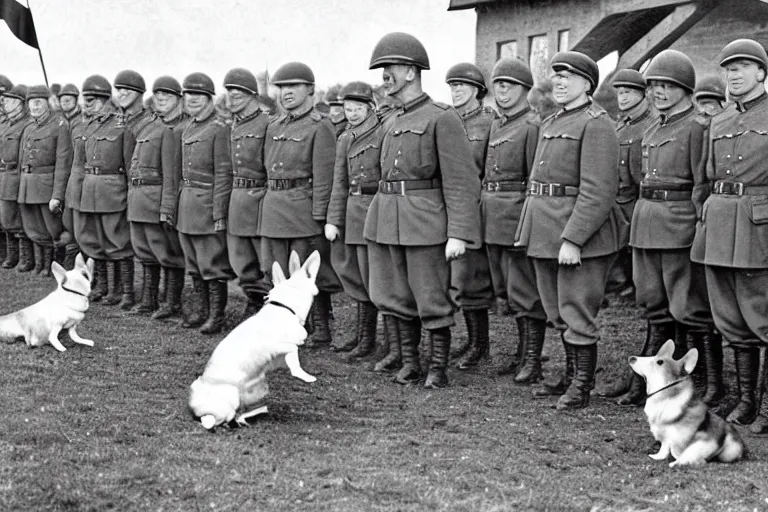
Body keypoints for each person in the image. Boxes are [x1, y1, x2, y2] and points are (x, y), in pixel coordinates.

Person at [365, 32, 481, 388]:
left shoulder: (441, 118)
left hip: (425, 223)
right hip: (386, 218)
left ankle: (437, 368)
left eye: (391, 68)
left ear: (412, 72)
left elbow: (462, 180)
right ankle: (411, 361)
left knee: (430, 295)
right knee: (394, 294)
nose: (385, 75)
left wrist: (459, 233)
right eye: (382, 68)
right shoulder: (390, 119)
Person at [515, 51, 623, 409]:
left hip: (580, 236)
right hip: (546, 229)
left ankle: (581, 386)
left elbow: (599, 189)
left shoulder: (597, 123)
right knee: (557, 310)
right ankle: (568, 374)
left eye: (568, 76)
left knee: (577, 310)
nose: (559, 82)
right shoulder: (552, 121)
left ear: (587, 84)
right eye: (556, 75)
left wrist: (574, 239)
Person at [620, 49, 715, 407]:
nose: (658, 91)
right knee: (653, 304)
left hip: (679, 225)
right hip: (646, 222)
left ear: (686, 88)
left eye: (667, 85)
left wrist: (695, 226)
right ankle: (657, 380)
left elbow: (701, 184)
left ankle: (704, 382)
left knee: (687, 308)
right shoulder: (650, 128)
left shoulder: (697, 127)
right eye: (654, 85)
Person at [691, 39, 768, 430]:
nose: (734, 74)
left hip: (758, 227)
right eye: (728, 68)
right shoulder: (718, 121)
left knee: (762, 316)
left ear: (761, 73)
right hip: (718, 224)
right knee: (730, 318)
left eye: (742, 67)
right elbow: (703, 179)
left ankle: (764, 406)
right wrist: (701, 216)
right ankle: (744, 398)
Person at [260, 62, 341, 347]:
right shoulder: (274, 126)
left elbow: (324, 176)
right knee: (276, 271)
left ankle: (320, 328)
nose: (286, 93)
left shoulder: (321, 126)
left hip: (302, 210)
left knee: (308, 273)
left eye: (293, 87)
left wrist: (319, 216)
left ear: (310, 90)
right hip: (274, 206)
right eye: (281, 88)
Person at [481, 57, 546, 382]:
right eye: (498, 84)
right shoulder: (497, 124)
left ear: (525, 90)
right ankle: (521, 355)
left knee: (525, 291)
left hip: (516, 215)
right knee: (506, 289)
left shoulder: (532, 126)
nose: (502, 90)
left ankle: (532, 360)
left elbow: (535, 177)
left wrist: (526, 223)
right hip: (492, 216)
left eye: (510, 85)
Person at [596, 69, 653, 398]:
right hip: (615, 212)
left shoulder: (647, 127)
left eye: (631, 92)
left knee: (644, 300)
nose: (625, 97)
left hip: (637, 213)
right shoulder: (618, 126)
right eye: (620, 92)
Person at [173, 72, 235, 334]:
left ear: (209, 97)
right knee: (194, 263)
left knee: (211, 262)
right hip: (187, 202)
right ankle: (200, 310)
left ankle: (216, 316)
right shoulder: (190, 127)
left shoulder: (220, 128)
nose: (192, 100)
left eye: (198, 95)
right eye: (188, 95)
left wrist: (219, 211)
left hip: (207, 203)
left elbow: (224, 172)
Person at [443, 62, 495, 370]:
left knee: (473, 279)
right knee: (458, 280)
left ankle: (480, 345)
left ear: (477, 90)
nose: (456, 91)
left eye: (461, 86)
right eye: (452, 86)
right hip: (450, 207)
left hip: (475, 206)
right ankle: (473, 341)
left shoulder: (488, 123)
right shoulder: (447, 120)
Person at [325, 81, 381, 360]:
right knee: (356, 276)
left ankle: (370, 340)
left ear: (371, 108)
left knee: (374, 277)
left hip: (375, 209)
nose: (353, 113)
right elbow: (339, 182)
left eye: (358, 108)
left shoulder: (382, 132)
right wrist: (333, 220)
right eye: (348, 108)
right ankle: (363, 337)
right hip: (352, 210)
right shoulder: (345, 138)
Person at [124, 76, 187, 317]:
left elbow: (172, 175)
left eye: (168, 95)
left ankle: (171, 302)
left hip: (157, 198)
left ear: (179, 99)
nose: (161, 99)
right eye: (158, 95)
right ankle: (148, 300)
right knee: (145, 251)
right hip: (139, 198)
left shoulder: (180, 128)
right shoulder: (148, 127)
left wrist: (167, 207)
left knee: (167, 253)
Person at [73, 75, 137, 309]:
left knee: (118, 242)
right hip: (90, 188)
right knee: (95, 241)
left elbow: (130, 164)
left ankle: (125, 292)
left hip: (112, 190)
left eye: (91, 100)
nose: (86, 104)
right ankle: (105, 287)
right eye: (85, 100)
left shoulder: (122, 125)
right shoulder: (88, 126)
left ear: (104, 100)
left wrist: (130, 196)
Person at [223, 68, 271, 321]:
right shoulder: (231, 126)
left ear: (253, 95)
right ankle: (253, 302)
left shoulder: (267, 124)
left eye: (238, 94)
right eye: (229, 93)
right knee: (242, 259)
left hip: (261, 198)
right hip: (237, 198)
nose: (232, 98)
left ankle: (268, 306)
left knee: (265, 259)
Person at [17, 84, 72, 277]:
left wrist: (57, 194)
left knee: (53, 230)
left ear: (48, 103)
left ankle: (53, 264)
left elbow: (63, 162)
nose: (35, 106)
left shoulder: (60, 125)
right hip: (27, 185)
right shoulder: (29, 128)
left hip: (46, 186)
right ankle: (41, 264)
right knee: (33, 228)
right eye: (32, 102)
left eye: (39, 102)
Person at [0, 85, 34, 271]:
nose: (7, 104)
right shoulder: (5, 124)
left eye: (13, 101)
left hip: (16, 175)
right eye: (6, 100)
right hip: (3, 175)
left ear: (22, 104)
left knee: (18, 219)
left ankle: (25, 258)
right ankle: (10, 255)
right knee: (5, 219)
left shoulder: (27, 125)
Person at [54, 83, 83, 269]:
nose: (65, 102)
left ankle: (73, 262)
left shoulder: (82, 120)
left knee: (75, 222)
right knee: (60, 219)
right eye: (62, 99)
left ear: (76, 99)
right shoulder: (58, 121)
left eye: (69, 98)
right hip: (61, 174)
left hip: (77, 176)